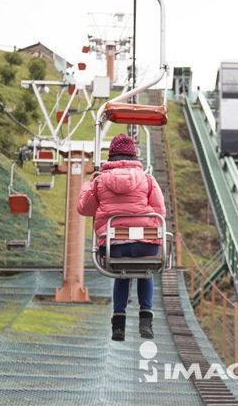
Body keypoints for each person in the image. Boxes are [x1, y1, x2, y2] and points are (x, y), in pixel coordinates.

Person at [77, 133, 166, 341]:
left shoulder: (100, 181)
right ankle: (146, 319)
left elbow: (84, 209)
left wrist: (89, 184)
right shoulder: (147, 179)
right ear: (134, 157)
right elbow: (160, 211)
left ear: (111, 157)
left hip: (113, 246)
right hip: (146, 245)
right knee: (146, 270)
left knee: (122, 273)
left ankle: (119, 324)